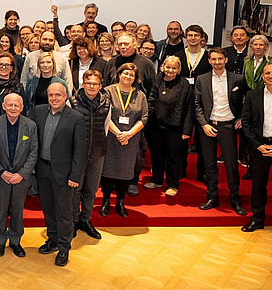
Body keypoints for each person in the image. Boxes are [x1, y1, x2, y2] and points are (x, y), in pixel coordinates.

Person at [31, 82, 86, 266]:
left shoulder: (76, 118)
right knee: (47, 208)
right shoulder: (38, 111)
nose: (54, 98)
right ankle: (53, 239)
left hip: (64, 173)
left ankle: (64, 247)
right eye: (51, 95)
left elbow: (80, 151)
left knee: (64, 212)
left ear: (66, 96)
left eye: (58, 95)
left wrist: (75, 176)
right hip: (43, 169)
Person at [194, 48, 246, 214]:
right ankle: (212, 197)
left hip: (228, 126)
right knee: (209, 165)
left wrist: (241, 118)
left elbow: (248, 101)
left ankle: (235, 199)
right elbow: (197, 105)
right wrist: (204, 124)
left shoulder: (237, 79)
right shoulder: (201, 79)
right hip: (208, 126)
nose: (217, 62)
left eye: (220, 59)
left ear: (225, 60)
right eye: (213, 59)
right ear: (209, 61)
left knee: (231, 165)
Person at [240, 63, 272, 237]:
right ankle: (257, 219)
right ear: (263, 76)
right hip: (258, 148)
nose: (271, 76)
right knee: (258, 185)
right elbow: (246, 123)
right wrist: (257, 145)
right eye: (267, 73)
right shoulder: (253, 96)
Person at [0, 92, 38, 259]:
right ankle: (0, 240)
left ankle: (16, 240)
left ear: (22, 107)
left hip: (21, 178)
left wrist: (21, 174)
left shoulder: (30, 126)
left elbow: (33, 152)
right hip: (1, 176)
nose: (12, 108)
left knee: (18, 210)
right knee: (1, 209)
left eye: (16, 105)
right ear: (3, 106)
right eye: (9, 105)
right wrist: (1, 171)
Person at [101, 63, 148, 215]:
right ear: (119, 74)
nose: (128, 77)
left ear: (135, 78)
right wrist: (119, 134)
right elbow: (104, 114)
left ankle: (120, 202)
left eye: (131, 75)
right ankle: (106, 201)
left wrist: (128, 134)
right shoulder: (108, 91)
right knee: (108, 170)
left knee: (126, 172)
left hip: (131, 139)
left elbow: (144, 117)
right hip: (111, 137)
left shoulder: (140, 95)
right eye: (125, 73)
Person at [145, 55, 193, 197]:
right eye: (168, 67)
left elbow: (189, 109)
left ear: (178, 69)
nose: (170, 70)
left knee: (173, 157)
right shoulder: (157, 80)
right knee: (157, 154)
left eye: (174, 68)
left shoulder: (184, 85)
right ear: (162, 67)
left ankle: (173, 184)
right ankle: (157, 180)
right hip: (155, 125)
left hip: (175, 127)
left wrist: (187, 130)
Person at [71, 70, 110, 239]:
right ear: (83, 84)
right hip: (77, 154)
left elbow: (107, 126)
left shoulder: (107, 103)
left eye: (95, 83)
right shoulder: (72, 102)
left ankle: (85, 220)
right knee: (75, 189)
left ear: (100, 86)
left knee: (91, 190)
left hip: (98, 152)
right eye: (88, 83)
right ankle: (72, 221)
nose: (92, 86)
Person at [21, 31, 73, 96]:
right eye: (44, 39)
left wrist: (66, 99)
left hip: (56, 101)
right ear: (40, 40)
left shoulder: (62, 58)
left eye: (50, 40)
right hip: (34, 101)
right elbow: (24, 80)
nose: (47, 42)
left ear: (54, 42)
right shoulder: (30, 57)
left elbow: (68, 81)